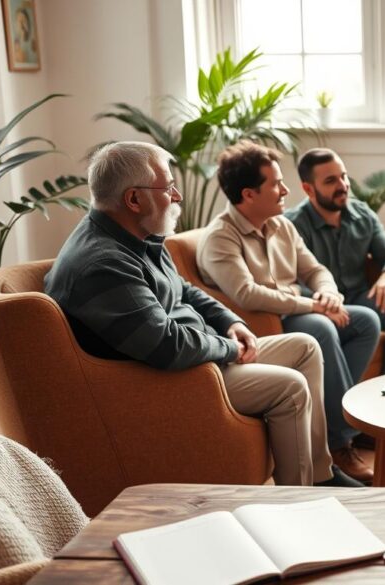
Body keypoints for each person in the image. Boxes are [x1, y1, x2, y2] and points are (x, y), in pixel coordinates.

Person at [44, 141, 361, 488]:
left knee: (305, 346)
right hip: (171, 377)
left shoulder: (136, 236)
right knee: (291, 387)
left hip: (200, 357)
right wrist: (227, 348)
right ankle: (296, 500)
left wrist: (232, 323)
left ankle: (319, 475)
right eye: (168, 187)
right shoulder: (104, 263)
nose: (177, 196)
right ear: (134, 199)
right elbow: (166, 345)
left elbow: (185, 289)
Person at [197, 141, 379, 483]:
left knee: (366, 321)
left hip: (292, 308)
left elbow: (314, 269)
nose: (285, 190)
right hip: (261, 322)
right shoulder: (221, 238)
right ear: (249, 195)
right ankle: (339, 442)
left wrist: (328, 292)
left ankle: (341, 419)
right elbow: (248, 295)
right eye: (276, 184)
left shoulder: (281, 225)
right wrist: (313, 304)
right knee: (319, 329)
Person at [285, 148, 385, 379]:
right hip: (319, 307)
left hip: (359, 299)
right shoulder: (292, 225)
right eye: (331, 180)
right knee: (364, 320)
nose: (343, 185)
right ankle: (344, 401)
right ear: (308, 189)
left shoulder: (361, 213)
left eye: (344, 176)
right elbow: (290, 282)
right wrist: (325, 303)